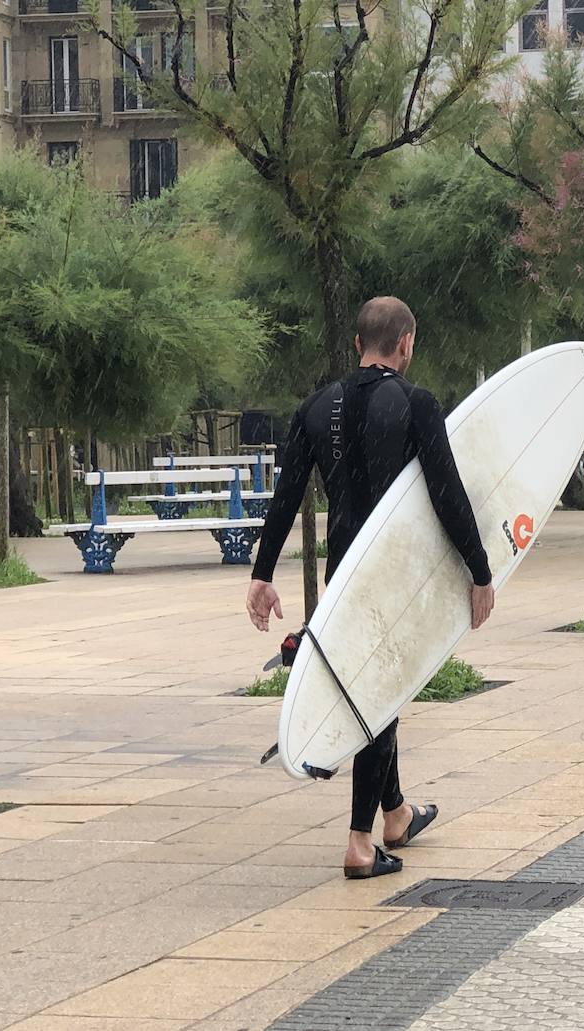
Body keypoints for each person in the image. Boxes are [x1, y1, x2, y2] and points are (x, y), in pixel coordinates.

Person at [245, 297, 495, 880]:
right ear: (405, 343)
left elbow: (286, 496)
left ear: (359, 345)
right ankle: (360, 844)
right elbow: (447, 495)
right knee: (380, 694)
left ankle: (398, 814)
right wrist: (480, 572)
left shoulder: (314, 407)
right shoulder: (416, 405)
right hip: (395, 576)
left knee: (377, 687)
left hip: (345, 575)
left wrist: (262, 574)